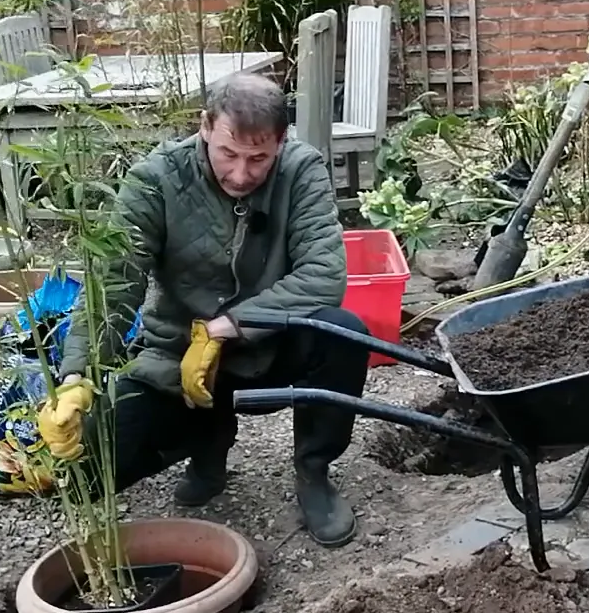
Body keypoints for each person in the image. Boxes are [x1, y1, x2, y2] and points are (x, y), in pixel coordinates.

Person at [47, 71, 369, 546]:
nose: (241, 174)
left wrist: (228, 327)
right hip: (178, 360)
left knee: (342, 332)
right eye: (228, 154)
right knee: (88, 471)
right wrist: (75, 375)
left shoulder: (301, 169)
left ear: (281, 142)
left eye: (259, 159)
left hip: (273, 347)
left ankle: (313, 471)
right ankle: (208, 440)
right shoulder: (155, 179)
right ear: (205, 126)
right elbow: (116, 283)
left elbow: (324, 277)